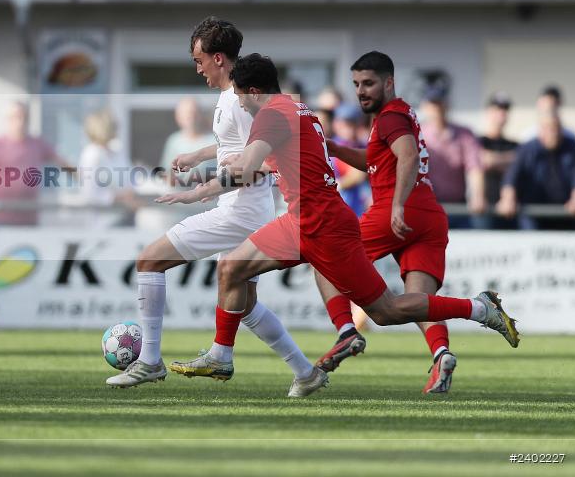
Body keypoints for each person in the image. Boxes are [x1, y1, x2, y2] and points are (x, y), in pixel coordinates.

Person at [167, 54, 519, 396]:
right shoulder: (299, 110)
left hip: (322, 226)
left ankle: (478, 308)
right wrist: (219, 173)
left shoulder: (272, 115)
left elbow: (247, 168)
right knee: (231, 268)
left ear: (254, 92)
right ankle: (221, 356)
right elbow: (264, 162)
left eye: (241, 98)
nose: (240, 106)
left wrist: (204, 186)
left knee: (386, 311)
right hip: (302, 220)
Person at [107, 17, 318, 396]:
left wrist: (197, 191)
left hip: (240, 210)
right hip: (247, 209)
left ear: (219, 58)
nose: (197, 67)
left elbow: (256, 166)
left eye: (199, 59)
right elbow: (236, 147)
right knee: (244, 303)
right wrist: (199, 154)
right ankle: (305, 371)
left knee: (149, 260)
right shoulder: (232, 99)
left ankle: (150, 361)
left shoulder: (240, 101)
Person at [316, 51, 457, 394]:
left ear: (389, 82)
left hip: (398, 209)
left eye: (369, 83)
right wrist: (334, 148)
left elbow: (407, 155)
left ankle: (346, 331)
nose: (361, 91)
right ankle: (441, 354)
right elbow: (376, 160)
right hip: (429, 214)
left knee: (323, 253)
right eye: (356, 84)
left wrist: (396, 206)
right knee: (419, 298)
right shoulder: (398, 112)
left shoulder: (390, 118)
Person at [0, 102, 69, 226]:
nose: (20, 121)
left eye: (24, 117)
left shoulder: (37, 144)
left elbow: (61, 161)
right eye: (16, 117)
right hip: (2, 219)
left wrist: (82, 177)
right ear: (8, 119)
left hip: (29, 219)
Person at [496, 111, 575, 230]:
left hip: (566, 212)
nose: (553, 133)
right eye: (548, 128)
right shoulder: (526, 149)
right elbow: (512, 177)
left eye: (556, 128)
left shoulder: (571, 147)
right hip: (533, 213)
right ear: (540, 131)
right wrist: (507, 198)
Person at [420, 84, 485, 228]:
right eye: (432, 104)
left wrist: (477, 195)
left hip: (458, 209)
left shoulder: (465, 134)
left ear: (447, 105)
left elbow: (474, 167)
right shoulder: (415, 134)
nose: (436, 108)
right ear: (424, 107)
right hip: (426, 210)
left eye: (440, 103)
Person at [76, 109, 141, 227]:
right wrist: (120, 198)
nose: (116, 128)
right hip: (105, 222)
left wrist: (130, 195)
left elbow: (131, 181)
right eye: (112, 125)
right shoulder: (91, 155)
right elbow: (90, 194)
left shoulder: (116, 151)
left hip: (127, 217)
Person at [478, 93, 518, 229]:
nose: (501, 113)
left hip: (510, 209)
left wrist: (494, 160)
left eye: (505, 109)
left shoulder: (514, 145)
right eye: (497, 108)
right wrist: (509, 160)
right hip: (484, 209)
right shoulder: (478, 141)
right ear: (488, 112)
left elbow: (518, 164)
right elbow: (483, 161)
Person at [159, 97, 216, 185]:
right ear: (178, 117)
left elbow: (227, 174)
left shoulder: (214, 140)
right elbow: (166, 173)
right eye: (186, 114)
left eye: (194, 113)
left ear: (200, 114)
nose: (191, 117)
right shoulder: (174, 141)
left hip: (209, 196)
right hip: (179, 196)